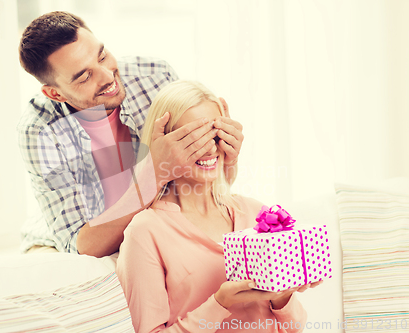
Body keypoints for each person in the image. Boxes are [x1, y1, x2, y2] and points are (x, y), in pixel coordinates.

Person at [17, 12, 244, 257]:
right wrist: (154, 173)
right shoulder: (40, 131)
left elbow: (200, 187)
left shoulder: (155, 76)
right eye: (85, 76)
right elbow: (82, 247)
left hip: (153, 221)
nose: (107, 76)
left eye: (102, 56)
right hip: (70, 242)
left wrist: (227, 159)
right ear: (55, 94)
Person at [116, 80, 322, 333]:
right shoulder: (146, 231)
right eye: (193, 138)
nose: (211, 148)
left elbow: (295, 327)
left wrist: (282, 296)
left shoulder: (256, 213)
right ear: (165, 146)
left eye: (217, 133)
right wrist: (220, 303)